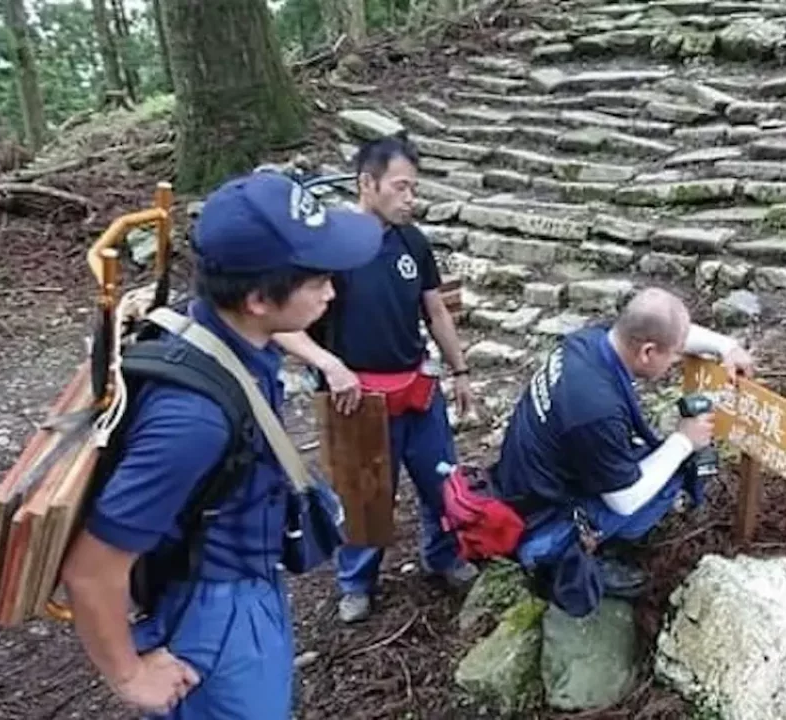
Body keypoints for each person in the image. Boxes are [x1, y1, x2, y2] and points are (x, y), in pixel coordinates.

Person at [59, 171, 383, 717]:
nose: (332, 289)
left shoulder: (216, 328)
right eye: (318, 279)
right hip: (216, 613)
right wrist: (129, 674)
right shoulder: (193, 420)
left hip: (246, 580)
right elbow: (91, 570)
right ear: (258, 298)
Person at [274, 134, 478, 624]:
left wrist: (461, 369)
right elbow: (283, 325)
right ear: (367, 183)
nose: (411, 198)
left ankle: (444, 556)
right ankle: (357, 582)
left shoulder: (412, 240)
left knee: (441, 479)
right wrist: (330, 365)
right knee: (364, 494)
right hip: (355, 396)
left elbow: (435, 310)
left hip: (416, 385)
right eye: (401, 187)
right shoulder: (328, 247)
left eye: (414, 188)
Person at [491, 287, 755, 618]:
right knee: (672, 472)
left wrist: (725, 347)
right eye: (673, 357)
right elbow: (625, 499)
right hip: (542, 516)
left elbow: (668, 336)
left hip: (525, 482)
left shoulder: (594, 340)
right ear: (647, 353)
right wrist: (684, 440)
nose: (676, 361)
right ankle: (574, 554)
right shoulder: (595, 409)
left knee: (653, 453)